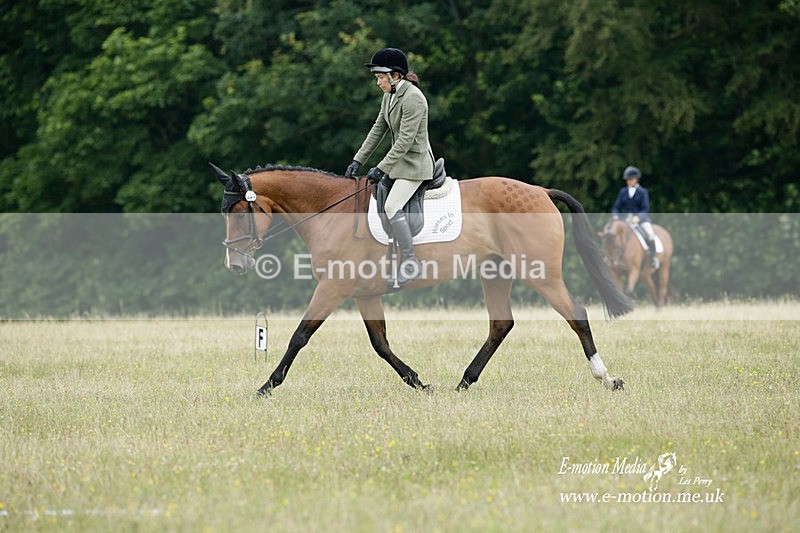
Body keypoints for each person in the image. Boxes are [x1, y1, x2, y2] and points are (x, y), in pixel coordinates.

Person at [344, 47, 435, 287]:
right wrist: (358, 159)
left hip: (415, 165)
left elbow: (405, 141)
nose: (378, 83)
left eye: (380, 78)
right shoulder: (390, 97)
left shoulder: (414, 98)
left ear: (396, 75)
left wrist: (382, 167)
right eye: (377, 78)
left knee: (393, 206)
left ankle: (411, 262)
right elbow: (378, 129)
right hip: (399, 165)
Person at [611, 165, 660, 269]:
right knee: (612, 233)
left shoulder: (643, 192)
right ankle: (611, 258)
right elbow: (616, 207)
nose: (628, 181)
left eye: (630, 179)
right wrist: (615, 216)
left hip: (640, 219)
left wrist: (638, 217)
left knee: (650, 234)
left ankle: (654, 257)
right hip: (624, 220)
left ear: (636, 179)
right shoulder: (622, 192)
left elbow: (645, 208)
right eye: (627, 180)